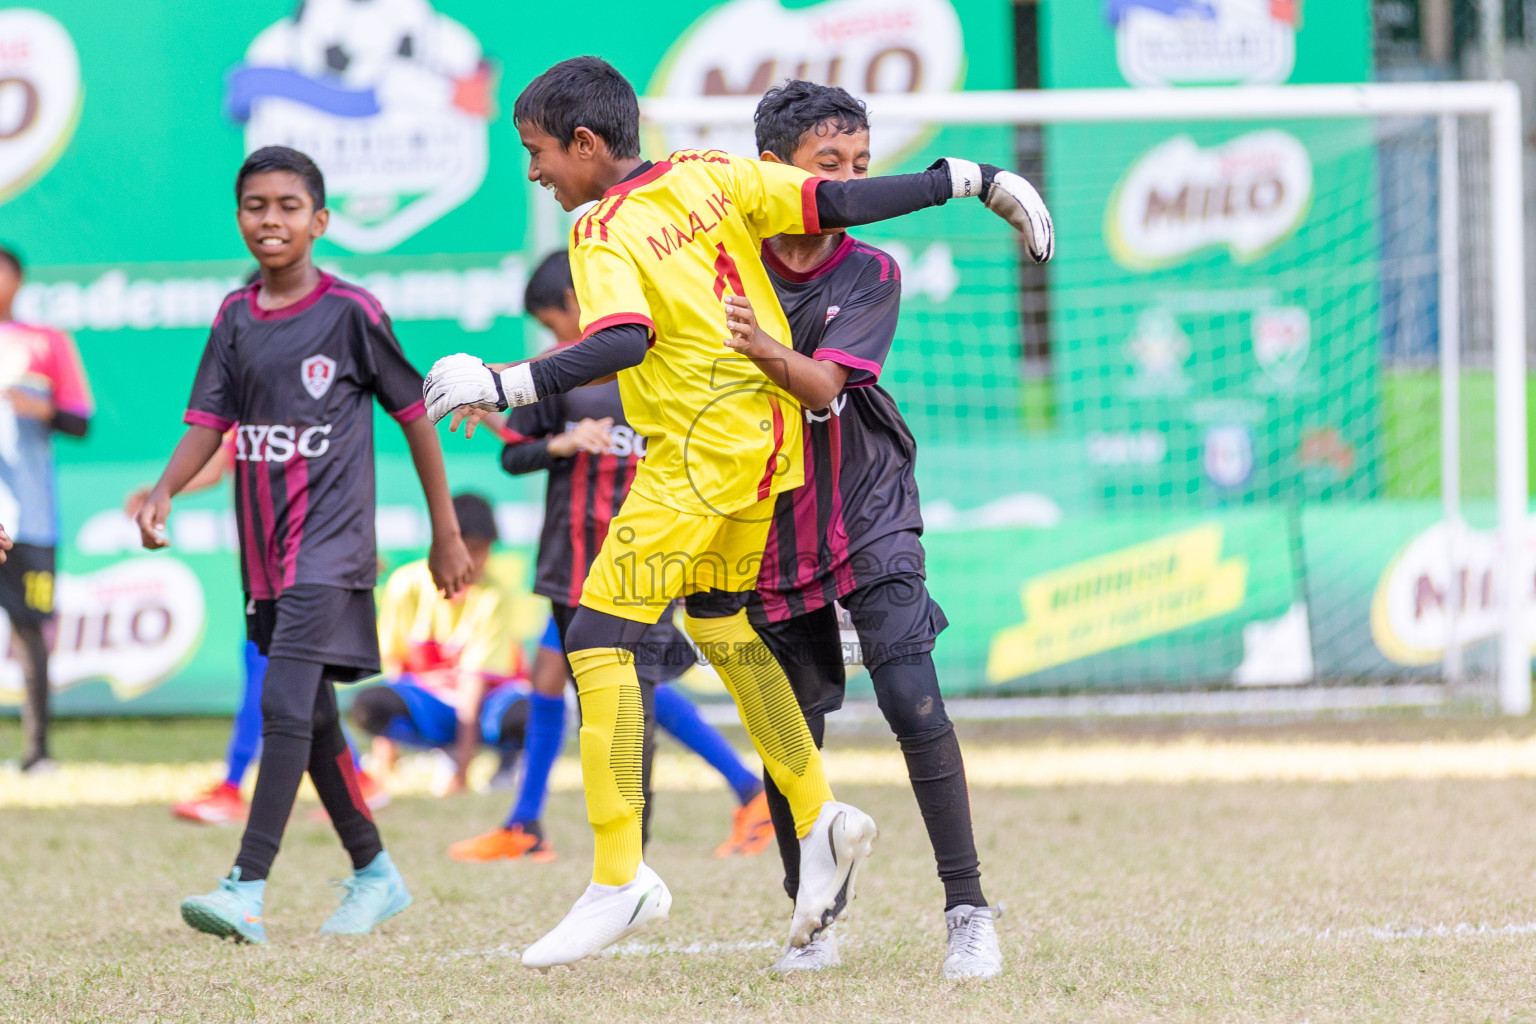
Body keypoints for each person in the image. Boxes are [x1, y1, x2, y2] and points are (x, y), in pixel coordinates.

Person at [421, 57, 1051, 968]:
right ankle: (820, 814)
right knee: (720, 623)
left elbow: (624, 338)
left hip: (698, 462)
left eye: (538, 152)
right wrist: (965, 180)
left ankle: (618, 878)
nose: (535, 173)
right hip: (771, 454)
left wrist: (506, 380)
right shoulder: (711, 175)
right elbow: (832, 205)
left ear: (587, 144)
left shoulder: (602, 227)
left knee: (596, 641)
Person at [136, 145, 473, 945]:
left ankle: (246, 888)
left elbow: (414, 414)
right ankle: (375, 872)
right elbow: (208, 424)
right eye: (256, 205)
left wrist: (446, 530)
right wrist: (163, 490)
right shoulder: (233, 316)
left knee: (283, 703)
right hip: (264, 556)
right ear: (239, 217)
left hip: (333, 549)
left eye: (289, 206)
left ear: (320, 221)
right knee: (312, 720)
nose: (271, 220)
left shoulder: (350, 312)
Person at [723, 81, 1001, 979]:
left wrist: (764, 349)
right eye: (826, 167)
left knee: (913, 700)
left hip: (868, 509)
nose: (846, 184)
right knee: (789, 730)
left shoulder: (870, 270)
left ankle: (968, 911)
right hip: (765, 525)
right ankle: (817, 917)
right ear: (772, 173)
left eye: (858, 168)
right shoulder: (718, 264)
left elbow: (823, 389)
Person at [445, 252, 774, 865]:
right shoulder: (557, 379)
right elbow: (517, 453)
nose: (553, 341)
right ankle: (526, 824)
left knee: (629, 682)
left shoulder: (661, 358)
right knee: (564, 678)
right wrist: (551, 437)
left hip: (640, 559)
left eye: (554, 325)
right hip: (570, 561)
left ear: (581, 301)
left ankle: (746, 793)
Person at [126, 437, 387, 824]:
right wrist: (163, 490)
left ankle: (233, 787)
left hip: (302, 567)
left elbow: (334, 479)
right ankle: (360, 780)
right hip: (270, 569)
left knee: (265, 667)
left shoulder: (297, 407)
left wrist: (354, 545)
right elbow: (215, 466)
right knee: (300, 679)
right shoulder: (252, 406)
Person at [350, 493, 531, 796]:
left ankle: (504, 760)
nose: (475, 562)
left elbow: (474, 687)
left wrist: (462, 773)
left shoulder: (494, 594)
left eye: (483, 551)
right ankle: (439, 752)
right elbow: (395, 664)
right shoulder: (406, 585)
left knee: (532, 713)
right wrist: (385, 755)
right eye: (468, 550)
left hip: (486, 706)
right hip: (432, 703)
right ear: (442, 544)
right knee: (370, 706)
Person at [0, 244, 93, 774]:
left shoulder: (46, 342)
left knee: (31, 630)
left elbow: (82, 422)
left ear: (18, 279)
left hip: (28, 521)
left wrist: (44, 408)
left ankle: (36, 753)